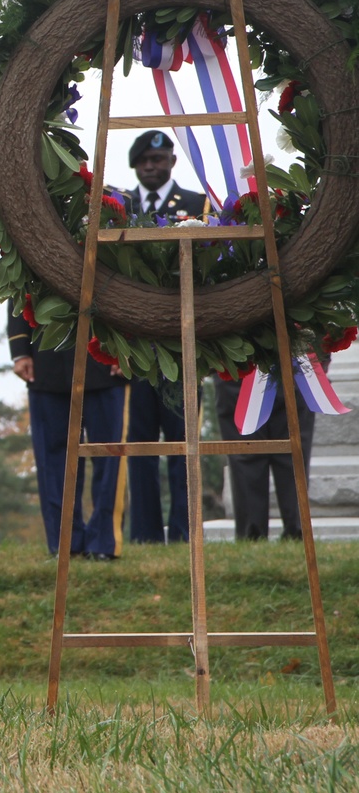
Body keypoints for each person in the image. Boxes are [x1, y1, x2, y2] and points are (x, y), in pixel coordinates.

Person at [125, 130, 206, 544]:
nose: (151, 167)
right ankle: (143, 535)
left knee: (184, 445)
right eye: (143, 161)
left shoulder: (197, 205)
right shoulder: (120, 207)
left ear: (172, 161)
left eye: (158, 159)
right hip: (135, 351)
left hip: (181, 344)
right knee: (139, 447)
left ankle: (185, 532)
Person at [8, 303, 127, 559]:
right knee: (53, 460)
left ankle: (103, 542)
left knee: (109, 455)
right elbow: (19, 285)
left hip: (105, 352)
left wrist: (128, 345)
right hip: (47, 355)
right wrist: (20, 349)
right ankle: (65, 542)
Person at [213, 376, 316, 540]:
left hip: (293, 370)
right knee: (246, 455)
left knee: (294, 454)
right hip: (238, 372)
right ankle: (252, 535)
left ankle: (296, 533)